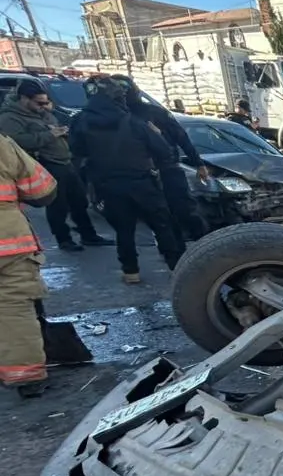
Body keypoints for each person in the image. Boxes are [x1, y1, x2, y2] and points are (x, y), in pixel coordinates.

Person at [70, 76, 185, 284]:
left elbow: (76, 150)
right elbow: (163, 150)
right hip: (142, 182)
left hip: (107, 185)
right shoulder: (133, 122)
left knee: (124, 230)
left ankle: (131, 271)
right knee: (162, 226)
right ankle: (175, 267)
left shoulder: (80, 121)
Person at [0, 80, 112, 252]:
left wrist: (60, 131)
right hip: (46, 163)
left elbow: (53, 125)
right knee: (57, 205)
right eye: (40, 103)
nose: (44, 106)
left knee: (79, 200)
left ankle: (88, 235)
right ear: (24, 99)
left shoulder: (41, 112)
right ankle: (64, 239)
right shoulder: (10, 118)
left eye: (46, 102)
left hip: (64, 160)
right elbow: (16, 143)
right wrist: (49, 135)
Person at [111, 75, 209, 242]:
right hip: (141, 174)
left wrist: (198, 164)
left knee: (184, 209)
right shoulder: (115, 118)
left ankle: (202, 241)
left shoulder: (154, 112)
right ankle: (172, 248)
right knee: (159, 216)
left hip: (167, 168)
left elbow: (181, 137)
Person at [0, 133, 58, 398]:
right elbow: (43, 189)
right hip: (8, 243)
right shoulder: (2, 143)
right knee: (13, 307)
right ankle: (27, 378)